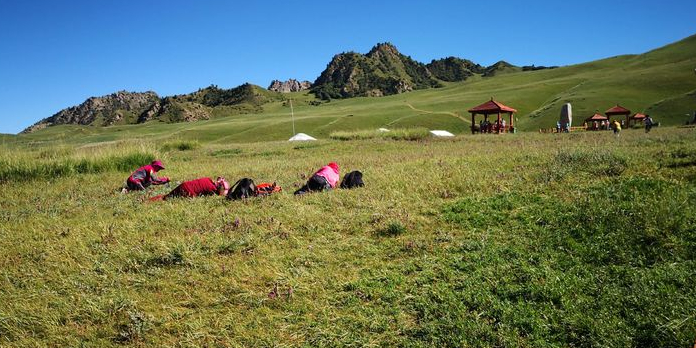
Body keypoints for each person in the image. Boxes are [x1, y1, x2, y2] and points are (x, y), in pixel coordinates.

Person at [162, 177, 230, 200]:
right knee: (166, 198)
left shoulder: (208, 179)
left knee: (167, 196)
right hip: (187, 191)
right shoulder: (212, 189)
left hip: (184, 185)